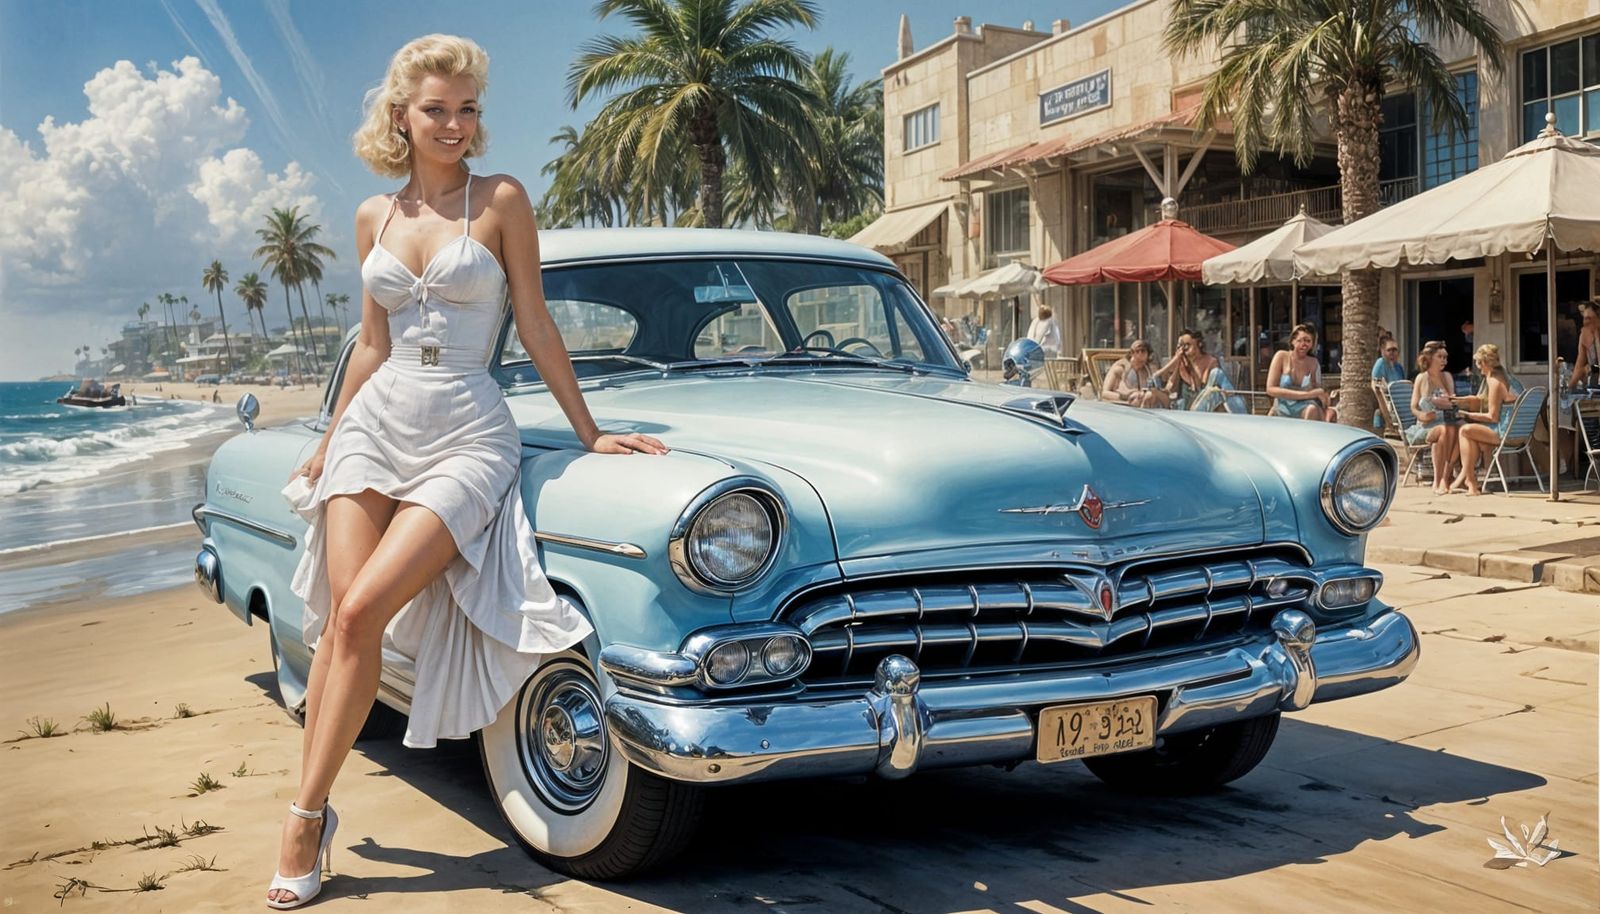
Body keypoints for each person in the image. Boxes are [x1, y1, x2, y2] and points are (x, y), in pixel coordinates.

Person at [265, 35, 668, 909]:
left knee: (367, 606)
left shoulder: (503, 200)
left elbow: (536, 325)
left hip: (468, 431)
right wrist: (333, 437)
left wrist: (589, 432)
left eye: (468, 108)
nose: (455, 124)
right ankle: (313, 809)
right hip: (377, 425)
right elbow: (372, 346)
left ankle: (299, 819)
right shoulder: (375, 216)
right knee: (341, 621)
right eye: (437, 109)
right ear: (401, 118)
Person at [1449, 343, 1523, 496]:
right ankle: (1468, 481)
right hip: (1518, 431)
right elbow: (1483, 398)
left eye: (1478, 363)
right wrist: (1461, 400)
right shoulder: (1502, 376)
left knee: (1464, 430)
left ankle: (1470, 482)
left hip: (1505, 433)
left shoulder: (1494, 382)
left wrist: (1467, 415)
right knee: (1473, 438)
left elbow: (1492, 417)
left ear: (1485, 363)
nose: (1478, 367)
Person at [1407, 341, 1459, 495]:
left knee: (1459, 430)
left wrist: (1450, 402)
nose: (1444, 360)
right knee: (1444, 431)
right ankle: (1441, 479)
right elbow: (1414, 407)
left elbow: (1453, 401)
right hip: (1426, 425)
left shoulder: (1447, 376)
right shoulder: (1422, 378)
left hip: (1447, 420)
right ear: (1430, 358)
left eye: (1445, 357)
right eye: (1440, 357)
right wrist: (1422, 415)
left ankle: (1445, 477)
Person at [1266, 323, 1338, 423]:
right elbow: (1270, 389)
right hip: (1283, 407)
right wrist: (1307, 394)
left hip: (1305, 406)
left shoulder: (1313, 363)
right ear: (1292, 341)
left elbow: (1317, 390)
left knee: (1312, 410)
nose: (1304, 344)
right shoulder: (1281, 356)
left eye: (1308, 341)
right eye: (1300, 340)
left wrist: (1322, 395)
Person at [1103, 340, 1167, 408]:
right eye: (1137, 361)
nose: (1139, 365)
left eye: (1142, 362)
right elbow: (1104, 393)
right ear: (1131, 354)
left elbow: (1163, 383)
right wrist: (1125, 397)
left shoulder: (1149, 369)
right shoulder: (1119, 368)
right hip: (1121, 407)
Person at [1370, 335, 1406, 431]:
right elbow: (1378, 393)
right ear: (1383, 351)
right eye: (1389, 350)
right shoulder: (1380, 364)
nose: (1392, 353)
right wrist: (1388, 421)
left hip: (1400, 414)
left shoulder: (1399, 368)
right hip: (1386, 415)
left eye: (1394, 350)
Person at [1571, 301, 1599, 391]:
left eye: (1589, 318)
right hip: (1595, 387)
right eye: (1584, 318)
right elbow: (1579, 363)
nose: (1586, 322)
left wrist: (1597, 337)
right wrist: (1570, 387)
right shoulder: (1584, 335)